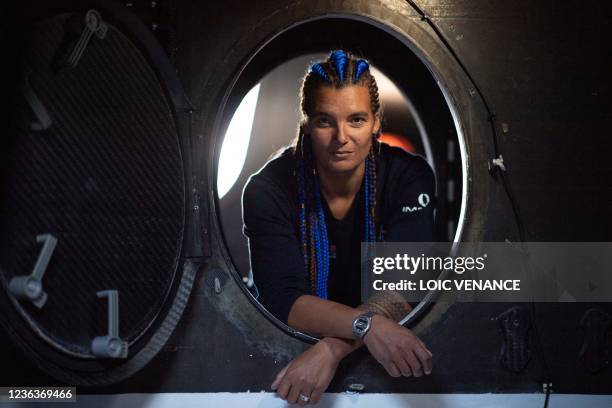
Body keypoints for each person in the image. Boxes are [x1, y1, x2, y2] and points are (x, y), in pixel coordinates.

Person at [242, 50, 436, 405]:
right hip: (285, 353)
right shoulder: (267, 189)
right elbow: (284, 301)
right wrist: (369, 326)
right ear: (305, 124)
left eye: (356, 120)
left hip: (358, 354)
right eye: (325, 121)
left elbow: (406, 287)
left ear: (377, 122)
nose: (341, 137)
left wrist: (332, 349)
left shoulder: (408, 177)